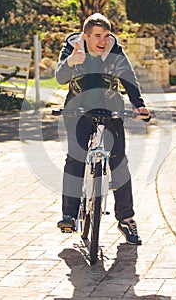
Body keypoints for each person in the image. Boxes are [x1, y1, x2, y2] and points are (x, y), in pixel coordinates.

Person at [55, 13, 150, 245]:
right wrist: (70, 63)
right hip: (77, 111)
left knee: (119, 163)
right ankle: (69, 215)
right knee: (76, 159)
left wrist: (139, 105)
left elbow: (128, 77)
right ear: (85, 35)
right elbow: (59, 77)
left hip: (111, 110)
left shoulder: (115, 50)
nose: (103, 40)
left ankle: (126, 220)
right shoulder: (72, 47)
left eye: (106, 35)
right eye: (97, 36)